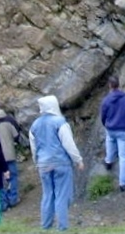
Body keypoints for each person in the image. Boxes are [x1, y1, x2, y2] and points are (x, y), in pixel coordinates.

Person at [29, 95, 84, 231]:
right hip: (60, 163)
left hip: (43, 164)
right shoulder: (60, 122)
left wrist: (37, 162)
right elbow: (68, 144)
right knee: (62, 195)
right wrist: (78, 160)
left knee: (48, 195)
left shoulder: (34, 125)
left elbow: (34, 147)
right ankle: (62, 227)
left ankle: (46, 226)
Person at [100, 75, 125, 192]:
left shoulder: (106, 100)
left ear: (109, 86)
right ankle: (123, 183)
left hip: (111, 129)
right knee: (124, 156)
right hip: (123, 130)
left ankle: (108, 161)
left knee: (110, 141)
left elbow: (103, 117)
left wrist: (106, 124)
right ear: (119, 84)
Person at [0, 106, 20, 210]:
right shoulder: (8, 123)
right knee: (13, 177)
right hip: (9, 154)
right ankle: (13, 198)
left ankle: (3, 203)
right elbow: (16, 136)